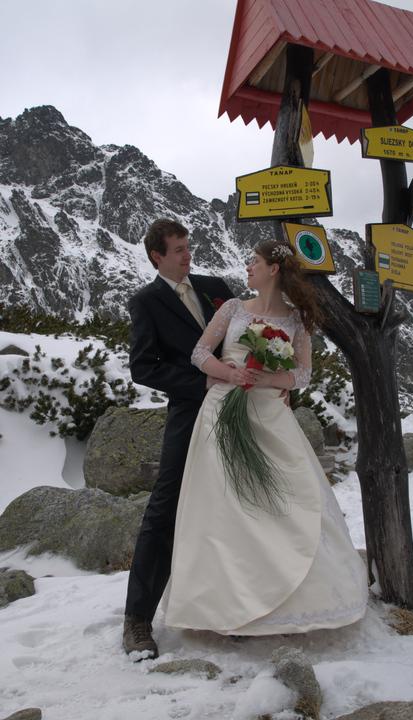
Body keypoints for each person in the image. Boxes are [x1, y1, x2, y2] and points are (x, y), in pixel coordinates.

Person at [160, 240, 368, 636]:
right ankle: (223, 605)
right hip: (223, 410)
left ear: (274, 269)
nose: (248, 267)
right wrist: (231, 373)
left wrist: (269, 379)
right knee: (223, 505)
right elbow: (200, 354)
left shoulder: (296, 320)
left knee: (286, 500)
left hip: (271, 414)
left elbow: (302, 374)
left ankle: (290, 603)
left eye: (254, 261)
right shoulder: (232, 308)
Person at [123, 218, 234, 658]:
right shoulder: (146, 302)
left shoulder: (215, 288)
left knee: (237, 503)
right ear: (158, 256)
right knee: (165, 508)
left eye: (189, 247)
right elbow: (142, 366)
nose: (189, 256)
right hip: (190, 412)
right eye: (180, 250)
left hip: (239, 409)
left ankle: (235, 609)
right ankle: (137, 620)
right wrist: (201, 383)